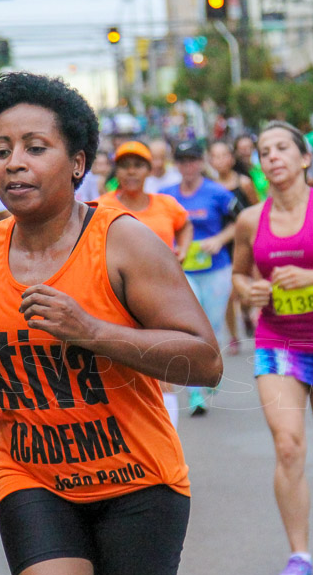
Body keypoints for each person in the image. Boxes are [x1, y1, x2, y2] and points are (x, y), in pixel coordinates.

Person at [0, 72, 221, 575]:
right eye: (1, 150)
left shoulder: (123, 243)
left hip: (136, 481)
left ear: (77, 163)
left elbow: (206, 360)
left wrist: (92, 331)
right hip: (32, 477)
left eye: (35, 148)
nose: (14, 163)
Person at [231, 121, 313, 575]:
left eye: (283, 148)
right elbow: (239, 278)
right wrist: (253, 292)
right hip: (277, 343)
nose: (273, 157)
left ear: (305, 158)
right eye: (265, 152)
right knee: (287, 445)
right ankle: (299, 557)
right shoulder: (251, 220)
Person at [98, 141, 194, 426]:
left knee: (164, 371)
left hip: (163, 299)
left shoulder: (165, 204)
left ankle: (169, 441)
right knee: (124, 372)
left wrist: (184, 251)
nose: (131, 172)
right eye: (125, 166)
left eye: (138, 165)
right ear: (117, 170)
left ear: (149, 170)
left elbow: (185, 224)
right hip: (118, 300)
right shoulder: (102, 207)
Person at [161, 141, 237, 416]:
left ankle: (210, 370)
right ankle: (196, 392)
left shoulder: (217, 192)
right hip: (183, 273)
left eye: (192, 160)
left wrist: (219, 239)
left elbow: (241, 220)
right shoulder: (166, 196)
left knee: (213, 327)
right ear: (176, 165)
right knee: (190, 329)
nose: (188, 166)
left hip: (216, 269)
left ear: (201, 162)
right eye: (182, 161)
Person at [209, 140, 259, 354]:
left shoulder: (245, 183)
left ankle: (247, 314)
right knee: (227, 292)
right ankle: (233, 336)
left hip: (244, 242)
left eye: (224, 155)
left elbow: (257, 210)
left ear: (231, 158)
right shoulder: (209, 186)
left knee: (244, 289)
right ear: (210, 161)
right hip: (220, 244)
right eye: (215, 156)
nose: (220, 160)